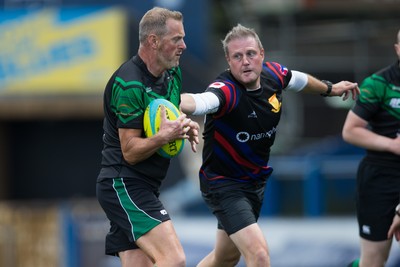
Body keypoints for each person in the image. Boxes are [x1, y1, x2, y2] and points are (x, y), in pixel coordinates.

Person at [180, 23, 359, 267]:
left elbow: (298, 79)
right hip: (224, 185)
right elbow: (200, 102)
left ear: (261, 54)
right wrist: (171, 101)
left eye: (251, 54)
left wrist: (330, 89)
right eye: (237, 56)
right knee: (259, 254)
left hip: (254, 182)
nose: (245, 61)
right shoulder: (226, 92)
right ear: (228, 61)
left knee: (226, 257)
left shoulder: (274, 75)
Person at [96, 7, 200, 267]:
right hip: (123, 185)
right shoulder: (129, 84)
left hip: (146, 185)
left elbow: (164, 122)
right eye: (177, 39)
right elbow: (130, 150)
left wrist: (183, 126)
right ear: (154, 41)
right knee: (173, 259)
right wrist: (165, 136)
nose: (184, 45)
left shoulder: (172, 72)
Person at [343, 29, 400, 267]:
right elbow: (350, 130)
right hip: (379, 180)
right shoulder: (378, 84)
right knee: (373, 261)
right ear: (398, 49)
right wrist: (393, 145)